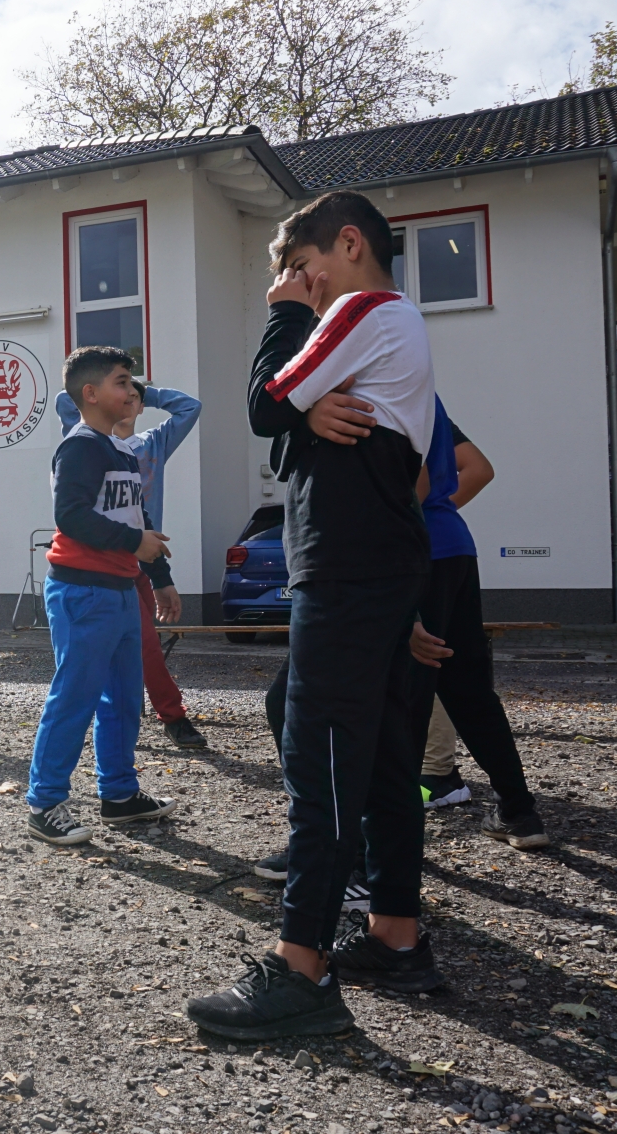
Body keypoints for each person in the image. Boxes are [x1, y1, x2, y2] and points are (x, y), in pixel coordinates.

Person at [188, 191, 438, 1041]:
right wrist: (306, 410)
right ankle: (395, 935)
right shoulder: (393, 326)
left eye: (304, 266)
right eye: (293, 277)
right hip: (378, 562)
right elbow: (292, 427)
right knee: (385, 759)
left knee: (320, 754)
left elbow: (266, 403)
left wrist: (286, 316)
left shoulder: (362, 310)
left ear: (349, 243)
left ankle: (301, 970)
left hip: (348, 566)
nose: (299, 283)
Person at [23, 346, 178, 846]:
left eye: (132, 382)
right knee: (76, 696)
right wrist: (134, 543)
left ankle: (119, 795)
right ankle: (44, 802)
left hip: (120, 590)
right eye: (121, 381)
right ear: (89, 394)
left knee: (123, 698)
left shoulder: (122, 450)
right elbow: (70, 515)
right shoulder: (80, 446)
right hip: (82, 591)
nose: (133, 390)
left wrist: (160, 577)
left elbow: (138, 518)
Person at [408, 401, 549, 847]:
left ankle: (376, 842)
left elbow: (416, 481)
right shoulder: (427, 395)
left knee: (399, 692)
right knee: (469, 690)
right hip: (454, 547)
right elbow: (479, 469)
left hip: (412, 552)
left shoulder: (376, 379)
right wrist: (438, 511)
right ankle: (519, 812)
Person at [54, 382, 206, 749]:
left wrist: (144, 394)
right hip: (102, 560)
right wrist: (114, 391)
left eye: (133, 396)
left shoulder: (151, 444)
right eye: (119, 389)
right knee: (138, 645)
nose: (127, 397)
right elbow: (64, 399)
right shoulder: (86, 442)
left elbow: (190, 407)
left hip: (143, 556)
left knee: (137, 645)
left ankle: (132, 720)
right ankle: (171, 716)